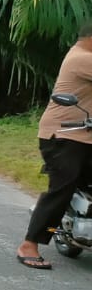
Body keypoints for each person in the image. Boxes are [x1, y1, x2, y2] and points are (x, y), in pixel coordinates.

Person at [18, 21, 92, 269]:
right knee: (63, 185)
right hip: (63, 136)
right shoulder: (82, 58)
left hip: (86, 135)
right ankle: (29, 244)